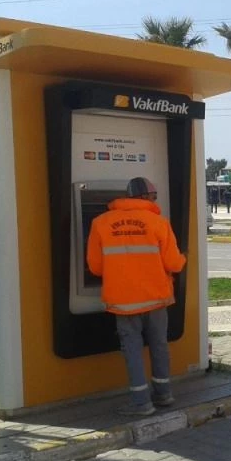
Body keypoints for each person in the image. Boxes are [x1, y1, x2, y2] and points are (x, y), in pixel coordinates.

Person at [87, 177, 187, 417]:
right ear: (146, 198)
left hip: (123, 301)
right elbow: (174, 263)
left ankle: (141, 402)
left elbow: (95, 267)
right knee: (159, 346)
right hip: (156, 298)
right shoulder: (159, 223)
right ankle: (163, 394)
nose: (155, 200)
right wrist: (184, 257)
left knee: (131, 350)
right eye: (154, 196)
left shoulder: (100, 222)